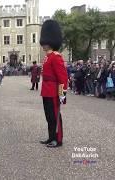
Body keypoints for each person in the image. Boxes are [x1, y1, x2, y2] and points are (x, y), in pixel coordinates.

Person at [39, 20, 68, 148]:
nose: (43, 45)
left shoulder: (56, 57)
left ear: (50, 42)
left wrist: (62, 94)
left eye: (45, 43)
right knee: (49, 116)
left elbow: (63, 77)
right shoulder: (47, 57)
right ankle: (51, 137)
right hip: (46, 90)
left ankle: (58, 139)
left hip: (54, 91)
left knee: (55, 116)